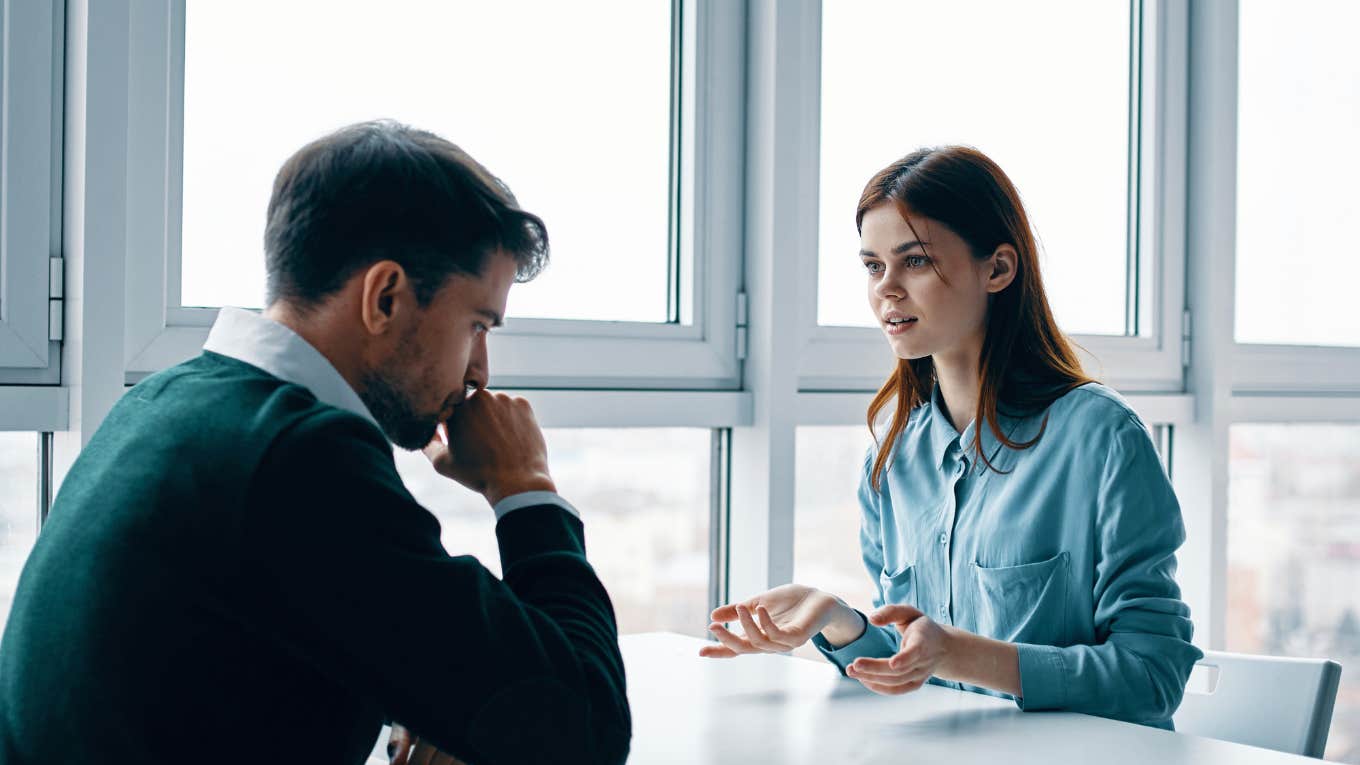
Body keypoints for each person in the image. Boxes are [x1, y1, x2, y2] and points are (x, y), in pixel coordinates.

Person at [0, 121, 631, 764]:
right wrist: (526, 487)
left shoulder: (168, 405)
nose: (480, 373)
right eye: (476, 325)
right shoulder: (300, 459)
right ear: (384, 297)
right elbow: (585, 732)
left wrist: (424, 698)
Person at [700, 146, 1202, 729]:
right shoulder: (891, 461)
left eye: (913, 261)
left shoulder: (1103, 439)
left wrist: (961, 653)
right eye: (872, 266)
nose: (886, 289)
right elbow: (915, 669)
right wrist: (840, 623)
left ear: (998, 269)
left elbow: (1152, 678)